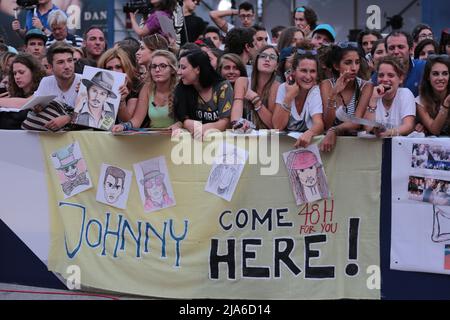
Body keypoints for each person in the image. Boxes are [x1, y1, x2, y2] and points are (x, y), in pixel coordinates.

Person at [320, 42, 373, 152]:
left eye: (357, 62)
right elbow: (328, 123)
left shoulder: (366, 86)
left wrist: (334, 130)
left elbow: (356, 122)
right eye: (348, 63)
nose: (354, 68)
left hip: (356, 149)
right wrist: (333, 94)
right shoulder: (326, 84)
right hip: (329, 147)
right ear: (336, 66)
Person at [112, 50, 181, 131]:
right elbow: (136, 121)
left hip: (176, 138)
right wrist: (123, 126)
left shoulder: (180, 88)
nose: (157, 70)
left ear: (172, 70)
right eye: (154, 66)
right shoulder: (147, 88)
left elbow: (189, 118)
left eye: (163, 66)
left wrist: (180, 124)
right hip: (153, 138)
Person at [174, 49, 232, 139]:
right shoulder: (182, 88)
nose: (179, 72)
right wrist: (185, 122)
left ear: (197, 69)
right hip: (194, 145)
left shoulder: (222, 87)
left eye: (183, 67)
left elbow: (226, 122)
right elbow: (182, 117)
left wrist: (205, 128)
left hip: (222, 143)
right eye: (179, 67)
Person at [272, 50, 324, 148]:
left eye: (312, 71)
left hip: (308, 148)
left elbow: (319, 123)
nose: (308, 76)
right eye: (304, 70)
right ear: (294, 72)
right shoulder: (283, 88)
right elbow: (277, 126)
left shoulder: (314, 90)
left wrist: (310, 133)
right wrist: (289, 97)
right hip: (283, 147)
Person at [364, 56, 415, 137]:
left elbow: (408, 126)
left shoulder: (405, 93)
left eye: (390, 75)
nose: (385, 79)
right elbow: (367, 128)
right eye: (381, 75)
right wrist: (373, 100)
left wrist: (389, 132)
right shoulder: (372, 94)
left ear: (401, 78)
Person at [231, 45, 280, 130]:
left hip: (268, 138)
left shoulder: (278, 87)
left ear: (276, 66)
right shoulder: (242, 81)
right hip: (244, 134)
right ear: (256, 61)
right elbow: (237, 108)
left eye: (272, 57)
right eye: (263, 56)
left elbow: (274, 125)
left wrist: (256, 100)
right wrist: (238, 124)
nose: (267, 59)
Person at [371, 30, 425, 97]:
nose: (396, 51)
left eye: (401, 47)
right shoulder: (378, 76)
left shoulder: (423, 68)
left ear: (411, 49)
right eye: (391, 48)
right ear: (387, 51)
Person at [0, 53, 44, 129]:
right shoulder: (12, 95)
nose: (17, 77)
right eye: (14, 73)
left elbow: (27, 102)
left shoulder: (43, 89)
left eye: (21, 72)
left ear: (33, 72)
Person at [97, 47, 140, 120]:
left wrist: (122, 101)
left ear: (125, 67)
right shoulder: (97, 83)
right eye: (109, 68)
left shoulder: (135, 84)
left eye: (118, 67)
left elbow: (128, 121)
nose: (114, 71)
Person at [415, 55, 450, 136]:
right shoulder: (420, 101)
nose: (440, 78)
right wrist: (446, 104)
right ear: (428, 77)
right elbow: (434, 130)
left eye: (445, 74)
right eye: (435, 74)